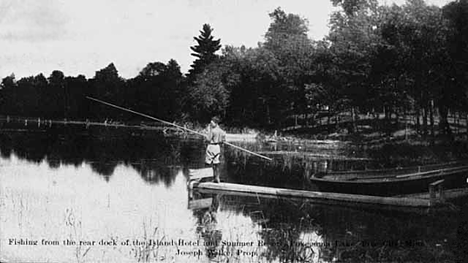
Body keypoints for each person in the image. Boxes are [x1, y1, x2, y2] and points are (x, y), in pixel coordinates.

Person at [205, 117, 226, 183]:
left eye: (212, 123)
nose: (211, 124)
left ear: (216, 123)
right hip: (217, 148)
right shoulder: (222, 131)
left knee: (208, 163)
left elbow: (208, 139)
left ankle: (207, 179)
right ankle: (217, 178)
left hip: (211, 146)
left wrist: (207, 133)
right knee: (216, 163)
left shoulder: (213, 131)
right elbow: (223, 141)